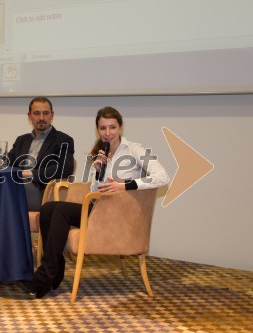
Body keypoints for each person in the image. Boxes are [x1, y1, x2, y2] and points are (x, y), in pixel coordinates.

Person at [27, 106, 170, 298]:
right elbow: (96, 191)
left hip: (121, 215)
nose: (108, 133)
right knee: (48, 208)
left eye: (112, 127)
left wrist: (125, 185)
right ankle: (55, 269)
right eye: (103, 128)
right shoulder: (102, 153)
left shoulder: (135, 149)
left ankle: (46, 275)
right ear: (98, 130)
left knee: (60, 211)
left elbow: (163, 177)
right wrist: (98, 172)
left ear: (120, 127)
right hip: (99, 210)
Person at [7, 97, 75, 211]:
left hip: (41, 190)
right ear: (29, 116)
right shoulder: (21, 140)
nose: (41, 118)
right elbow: (9, 163)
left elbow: (65, 168)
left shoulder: (63, 140)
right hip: (18, 186)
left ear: (52, 115)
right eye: (37, 113)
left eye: (46, 113)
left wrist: (30, 174)